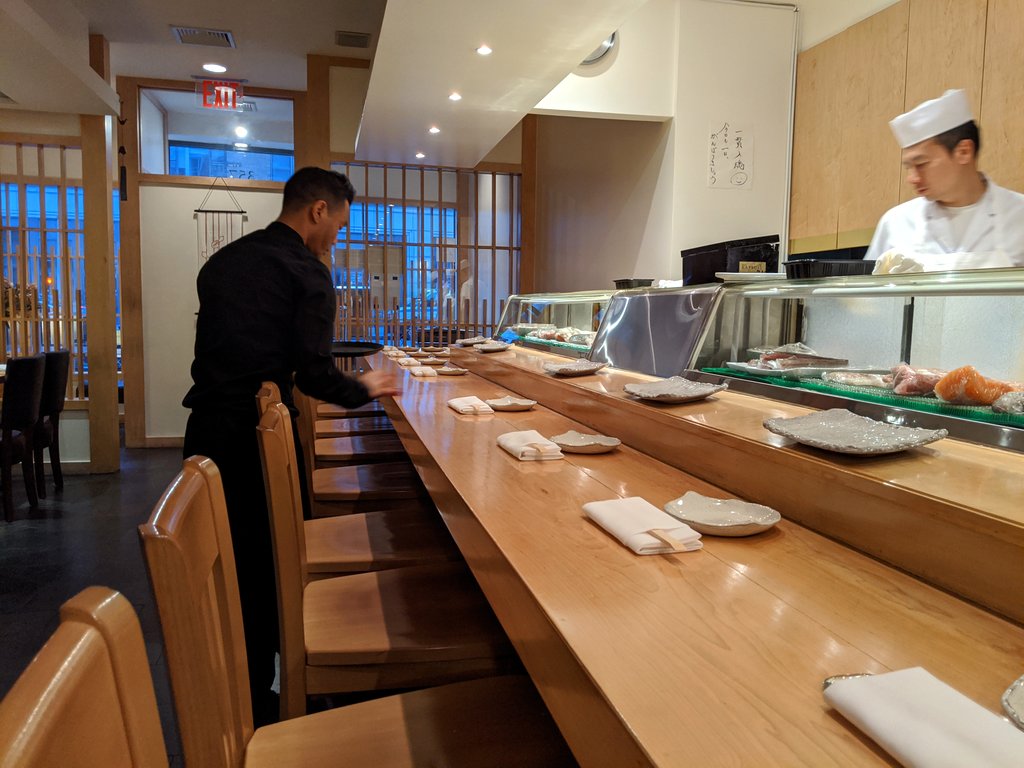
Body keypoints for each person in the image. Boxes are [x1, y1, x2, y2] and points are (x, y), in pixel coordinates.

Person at [182, 167, 399, 726]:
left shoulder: (224, 261)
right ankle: (271, 700)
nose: (336, 239)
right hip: (251, 439)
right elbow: (313, 374)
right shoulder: (307, 272)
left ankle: (248, 693)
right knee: (263, 571)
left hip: (205, 432)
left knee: (229, 573)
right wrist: (366, 388)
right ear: (318, 210)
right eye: (339, 227)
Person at [866, 89, 1024, 273]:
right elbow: (866, 290)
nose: (912, 178)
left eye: (921, 164)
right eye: (908, 166)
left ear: (964, 152)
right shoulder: (896, 223)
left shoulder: (1018, 215)